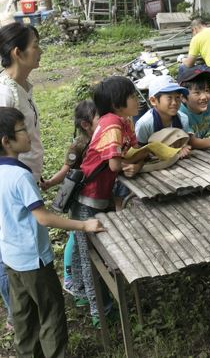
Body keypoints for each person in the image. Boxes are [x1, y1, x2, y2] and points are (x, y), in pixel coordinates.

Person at [0, 106, 104, 358]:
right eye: (22, 130)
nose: (28, 134)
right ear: (7, 141)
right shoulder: (20, 176)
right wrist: (84, 225)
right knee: (51, 312)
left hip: (11, 259)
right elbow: (43, 218)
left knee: (23, 313)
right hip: (34, 260)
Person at [0, 23, 45, 330]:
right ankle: (15, 315)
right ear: (18, 53)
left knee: (19, 246)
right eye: (35, 45)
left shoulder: (22, 87)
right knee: (8, 249)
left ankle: (23, 308)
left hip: (24, 182)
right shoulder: (2, 94)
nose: (40, 50)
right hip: (9, 187)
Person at [72, 76, 148, 327]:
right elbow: (116, 163)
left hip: (102, 197)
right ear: (117, 103)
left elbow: (131, 154)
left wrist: (135, 164)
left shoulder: (123, 122)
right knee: (88, 255)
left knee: (92, 252)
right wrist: (131, 164)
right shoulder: (112, 124)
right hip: (87, 199)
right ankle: (99, 312)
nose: (137, 99)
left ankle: (90, 297)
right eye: (132, 95)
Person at [40, 100, 99, 295]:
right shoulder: (79, 144)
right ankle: (70, 279)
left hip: (91, 195)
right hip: (77, 196)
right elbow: (66, 171)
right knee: (75, 238)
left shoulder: (101, 137)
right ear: (85, 124)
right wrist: (49, 182)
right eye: (98, 117)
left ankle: (78, 281)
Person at [136, 75, 192, 156]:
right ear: (153, 101)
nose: (174, 103)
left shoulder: (183, 119)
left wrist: (184, 148)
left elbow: (184, 143)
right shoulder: (144, 124)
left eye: (177, 97)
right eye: (169, 98)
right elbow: (140, 150)